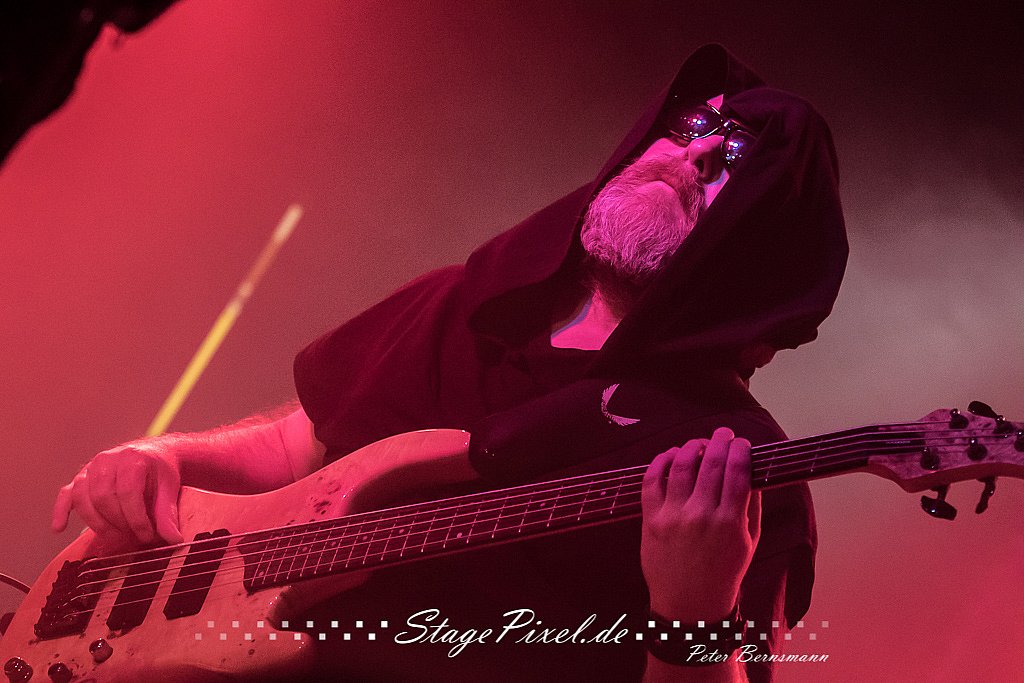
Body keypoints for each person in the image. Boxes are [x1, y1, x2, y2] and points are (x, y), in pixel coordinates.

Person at [51, 44, 847, 681]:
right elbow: (300, 445)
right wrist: (164, 455)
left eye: (733, 157)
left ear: (759, 245)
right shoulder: (462, 301)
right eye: (690, 124)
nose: (694, 151)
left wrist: (694, 615)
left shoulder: (738, 465)